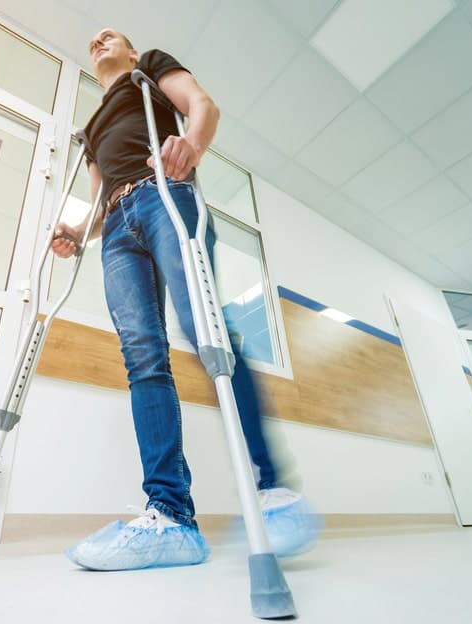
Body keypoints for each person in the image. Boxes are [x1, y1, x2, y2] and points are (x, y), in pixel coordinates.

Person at [52, 28, 319, 571]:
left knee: (206, 331)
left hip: (163, 197)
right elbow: (99, 197)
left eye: (113, 35)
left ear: (130, 50)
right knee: (143, 358)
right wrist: (80, 234)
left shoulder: (146, 69)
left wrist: (191, 145)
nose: (99, 38)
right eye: (94, 39)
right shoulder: (89, 129)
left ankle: (275, 492)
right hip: (119, 227)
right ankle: (170, 517)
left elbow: (201, 104)